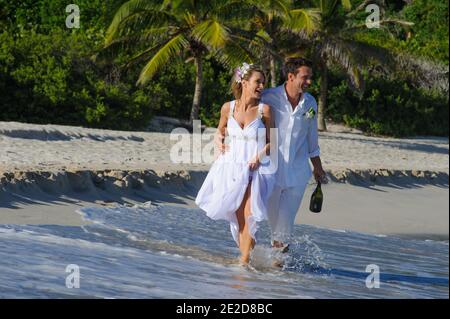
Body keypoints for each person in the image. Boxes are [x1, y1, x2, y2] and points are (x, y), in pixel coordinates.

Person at [195, 63, 275, 265]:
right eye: (258, 82)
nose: (261, 86)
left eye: (263, 83)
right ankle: (250, 259)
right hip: (231, 165)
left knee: (250, 215)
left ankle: (244, 262)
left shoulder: (264, 110)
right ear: (244, 82)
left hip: (255, 167)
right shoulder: (227, 108)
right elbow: (220, 131)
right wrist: (218, 141)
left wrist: (259, 156)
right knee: (238, 216)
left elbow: (274, 142)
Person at [261, 57, 328, 252]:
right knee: (274, 227)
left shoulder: (310, 103)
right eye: (305, 77)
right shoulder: (268, 97)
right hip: (271, 173)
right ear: (290, 76)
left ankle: (278, 269)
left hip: (298, 175)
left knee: (285, 227)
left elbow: (311, 139)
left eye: (310, 78)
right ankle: (274, 270)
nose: (309, 82)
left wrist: (318, 168)